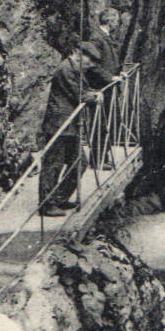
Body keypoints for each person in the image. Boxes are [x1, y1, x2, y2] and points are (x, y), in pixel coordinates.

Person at [38, 39, 115, 215]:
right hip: (59, 124)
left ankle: (59, 198)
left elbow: (81, 91)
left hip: (70, 125)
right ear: (78, 54)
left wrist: (92, 93)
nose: (90, 64)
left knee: (79, 162)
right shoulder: (65, 69)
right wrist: (94, 96)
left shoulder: (75, 69)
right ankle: (46, 205)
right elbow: (78, 94)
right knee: (53, 164)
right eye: (89, 59)